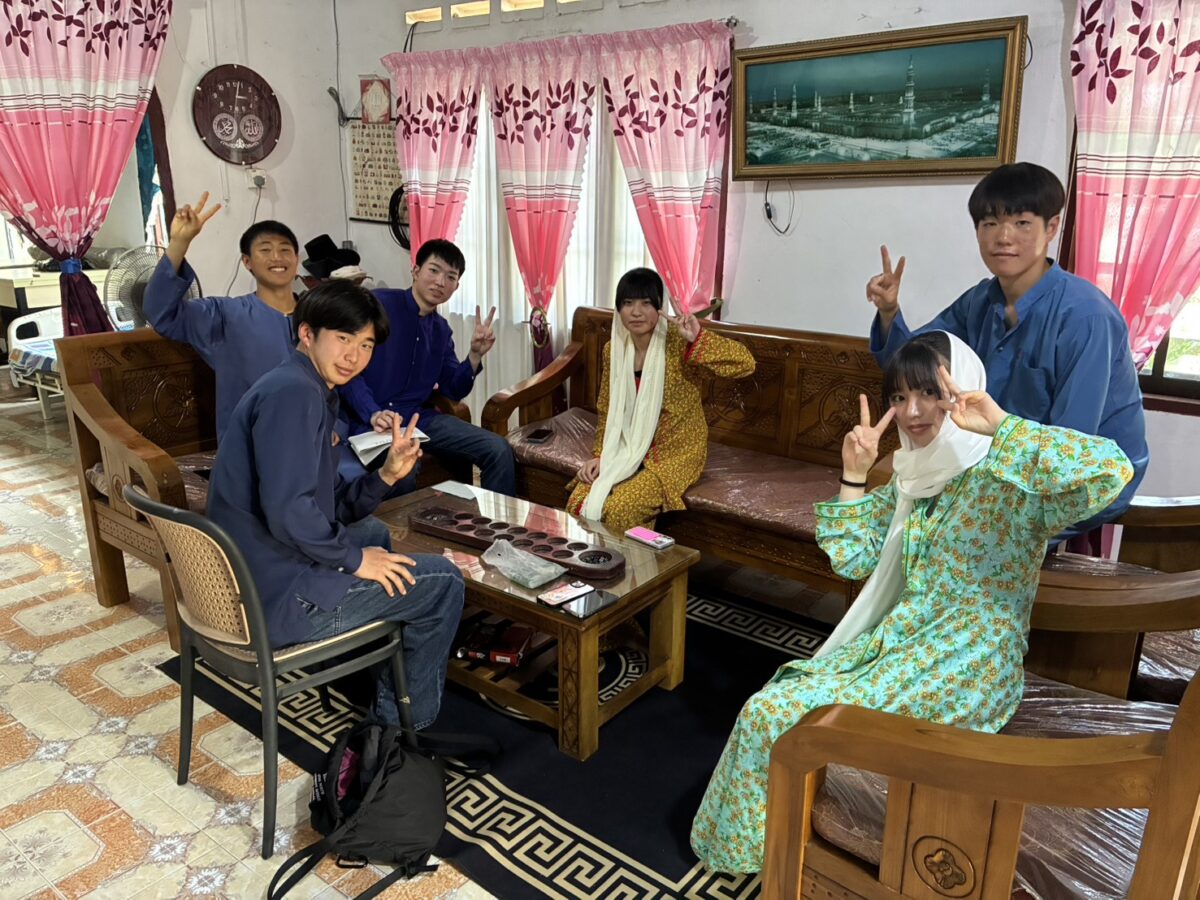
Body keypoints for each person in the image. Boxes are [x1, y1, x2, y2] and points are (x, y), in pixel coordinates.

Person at [690, 330, 1133, 874]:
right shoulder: (913, 480)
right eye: (900, 397)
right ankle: (756, 854)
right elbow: (852, 561)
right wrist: (854, 473)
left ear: (962, 389)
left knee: (776, 715)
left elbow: (1111, 471)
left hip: (968, 661)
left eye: (929, 393)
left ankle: (758, 861)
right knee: (773, 705)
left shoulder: (1010, 482)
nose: (913, 411)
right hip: (905, 643)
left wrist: (1001, 425)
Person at [207, 281, 464, 729]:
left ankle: (370, 668)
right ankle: (398, 730)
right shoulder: (294, 395)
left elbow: (322, 506)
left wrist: (386, 475)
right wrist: (354, 561)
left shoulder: (305, 385)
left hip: (258, 569)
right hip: (272, 598)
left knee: (374, 534)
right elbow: (290, 513)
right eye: (343, 338)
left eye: (366, 345)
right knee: (443, 580)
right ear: (307, 333)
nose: (354, 356)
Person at [865, 162, 1148, 532]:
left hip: (1082, 481)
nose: (1003, 237)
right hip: (1003, 460)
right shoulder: (980, 301)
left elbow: (1072, 446)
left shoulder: (1086, 316)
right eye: (989, 223)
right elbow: (908, 365)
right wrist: (889, 311)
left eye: (1022, 223)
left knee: (950, 534)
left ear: (1052, 227)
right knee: (903, 515)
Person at [566, 268, 755, 532]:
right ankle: (594, 557)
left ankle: (633, 561)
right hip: (625, 448)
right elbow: (608, 407)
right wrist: (599, 456)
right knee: (580, 499)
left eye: (646, 303)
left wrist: (698, 339)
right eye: (628, 303)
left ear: (659, 307)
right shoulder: (614, 349)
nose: (636, 312)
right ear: (618, 309)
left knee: (622, 507)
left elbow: (745, 364)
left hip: (674, 452)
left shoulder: (679, 343)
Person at [338, 239, 516, 495]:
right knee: (404, 469)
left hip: (419, 420)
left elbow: (454, 389)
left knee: (498, 448)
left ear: (456, 286)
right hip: (371, 421)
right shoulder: (377, 305)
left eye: (450, 277)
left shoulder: (441, 330)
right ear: (415, 270)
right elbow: (347, 370)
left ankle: (494, 521)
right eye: (434, 270)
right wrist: (372, 412)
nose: (440, 282)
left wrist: (474, 356)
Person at [143, 191, 302, 441]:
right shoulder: (223, 315)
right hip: (252, 445)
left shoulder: (319, 314)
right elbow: (160, 312)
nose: (276, 257)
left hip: (318, 437)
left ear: (297, 259)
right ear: (247, 262)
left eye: (285, 250)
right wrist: (179, 244)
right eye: (265, 250)